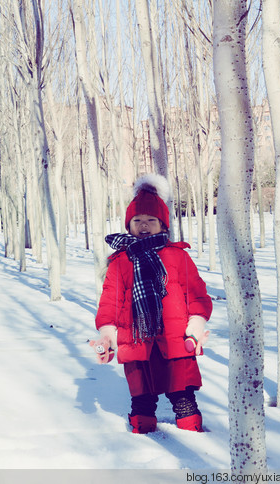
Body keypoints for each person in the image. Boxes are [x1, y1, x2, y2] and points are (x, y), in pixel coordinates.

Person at [90, 174, 212, 434]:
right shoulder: (121, 261)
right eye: (137, 221)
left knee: (183, 395)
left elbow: (197, 295)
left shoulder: (177, 256)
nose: (144, 226)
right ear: (128, 224)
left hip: (176, 338)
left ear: (162, 224)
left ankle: (193, 437)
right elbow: (110, 300)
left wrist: (196, 324)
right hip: (136, 338)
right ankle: (142, 439)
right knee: (142, 397)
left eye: (150, 221)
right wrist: (108, 334)